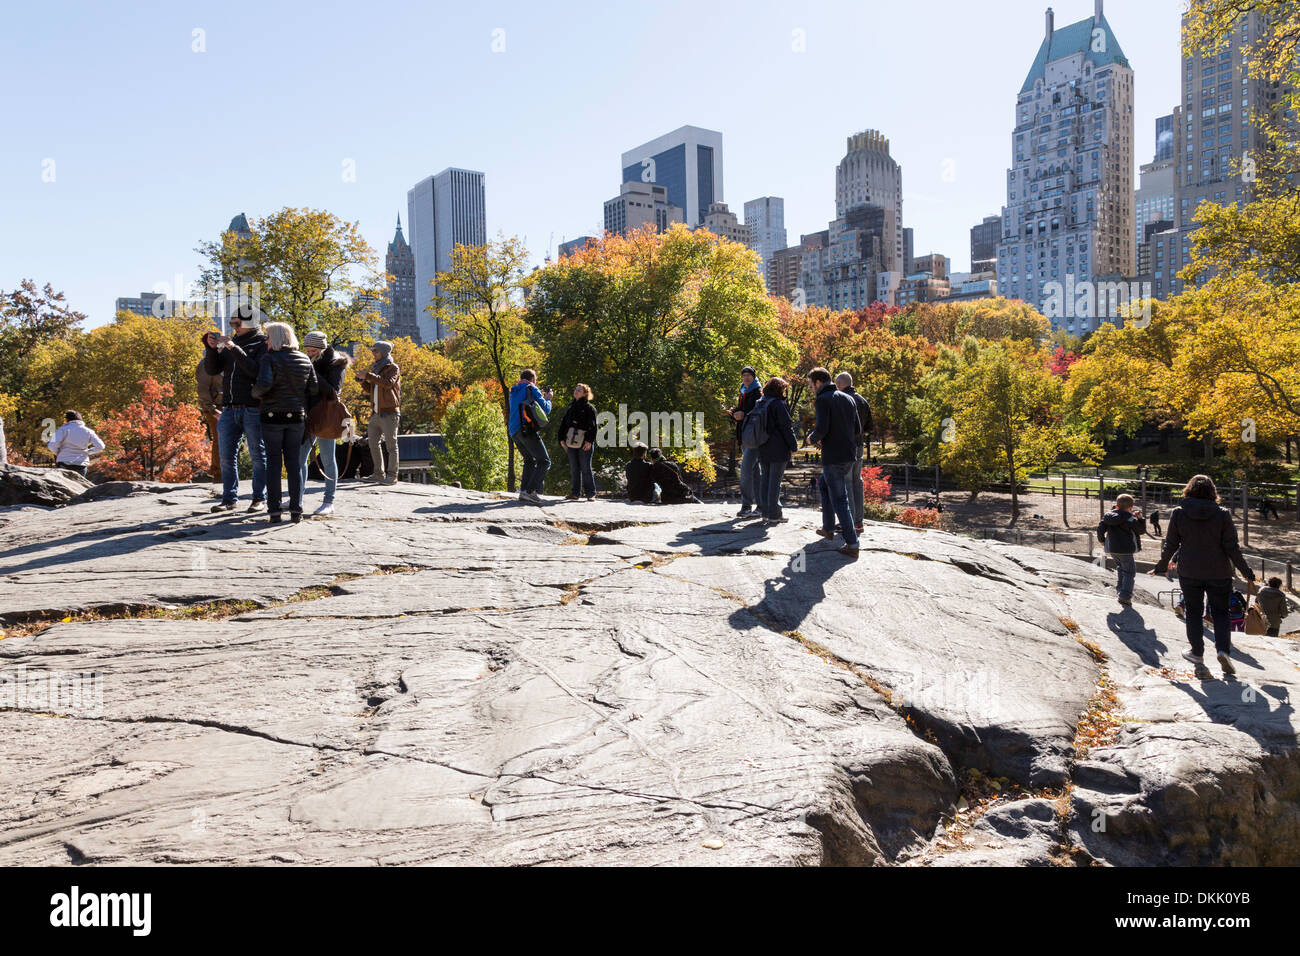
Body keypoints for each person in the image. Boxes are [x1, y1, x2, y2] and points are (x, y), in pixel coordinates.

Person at [1149, 474, 1256, 678]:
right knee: (1221, 613)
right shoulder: (1222, 514)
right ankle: (1223, 650)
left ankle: (1197, 654)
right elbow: (1232, 547)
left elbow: (1170, 544)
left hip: (1190, 571)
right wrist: (1246, 572)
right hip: (1219, 571)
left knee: (1194, 612)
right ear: (1212, 492)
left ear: (1188, 490)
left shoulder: (1179, 513)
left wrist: (1161, 566)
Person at [204, 305, 269, 513]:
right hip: (229, 408)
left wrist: (233, 348)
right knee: (225, 456)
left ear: (250, 322)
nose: (233, 326)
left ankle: (259, 498)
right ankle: (229, 499)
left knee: (258, 455)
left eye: (237, 323)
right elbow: (212, 369)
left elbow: (255, 371)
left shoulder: (262, 343)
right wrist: (211, 348)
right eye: (232, 323)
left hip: (253, 408)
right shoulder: (233, 342)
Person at [252, 322, 318, 524]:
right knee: (294, 464)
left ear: (277, 338)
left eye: (268, 337)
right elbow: (313, 389)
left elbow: (263, 385)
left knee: (273, 463)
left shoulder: (269, 358)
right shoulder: (305, 359)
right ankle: (296, 510)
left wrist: (254, 392)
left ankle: (274, 511)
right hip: (296, 417)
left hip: (272, 416)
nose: (266, 340)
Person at [807, 367, 862, 557]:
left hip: (834, 456)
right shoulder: (847, 398)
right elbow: (857, 428)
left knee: (840, 499)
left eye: (811, 384)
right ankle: (828, 527)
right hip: (849, 454)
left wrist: (811, 439)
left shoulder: (822, 399)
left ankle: (852, 544)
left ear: (818, 382)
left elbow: (821, 428)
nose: (811, 388)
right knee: (824, 484)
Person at [301, 330, 350, 516]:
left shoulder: (337, 362)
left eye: (313, 350)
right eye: (307, 350)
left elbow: (333, 391)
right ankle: (297, 495)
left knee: (328, 459)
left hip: (325, 416)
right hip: (307, 415)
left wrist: (311, 370)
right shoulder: (308, 360)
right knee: (299, 458)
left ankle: (329, 501)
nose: (309, 353)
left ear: (322, 348)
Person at [355, 340, 401, 485]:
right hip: (375, 413)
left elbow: (387, 384)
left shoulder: (393, 367)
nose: (373, 354)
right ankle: (378, 474)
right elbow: (372, 390)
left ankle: (392, 476)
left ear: (384, 352)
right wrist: (362, 381)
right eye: (372, 351)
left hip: (389, 413)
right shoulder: (376, 368)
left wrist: (368, 376)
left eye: (376, 351)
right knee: (373, 443)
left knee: (391, 446)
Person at [507, 369, 553, 503]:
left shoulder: (514, 391)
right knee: (544, 461)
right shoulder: (532, 388)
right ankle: (530, 491)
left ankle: (523, 492)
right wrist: (548, 399)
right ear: (532, 379)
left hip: (514, 431)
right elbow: (545, 409)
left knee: (529, 460)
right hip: (526, 430)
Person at [758, 377, 798, 525]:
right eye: (784, 389)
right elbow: (786, 427)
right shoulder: (778, 404)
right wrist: (794, 446)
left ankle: (765, 513)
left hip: (762, 445)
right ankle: (774, 514)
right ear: (779, 389)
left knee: (765, 480)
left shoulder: (760, 402)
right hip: (778, 447)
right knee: (775, 481)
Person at [836, 372, 873, 533]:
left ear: (839, 385)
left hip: (845, 446)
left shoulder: (840, 399)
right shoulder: (863, 400)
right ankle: (859, 522)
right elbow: (870, 426)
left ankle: (848, 521)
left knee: (847, 482)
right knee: (857, 481)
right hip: (859, 445)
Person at [1097, 494, 1146, 606]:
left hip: (1113, 549)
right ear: (1130, 507)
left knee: (1121, 568)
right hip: (1126, 550)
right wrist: (1140, 519)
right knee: (1129, 572)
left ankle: (1120, 589)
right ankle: (1125, 596)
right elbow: (1141, 531)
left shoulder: (1108, 516)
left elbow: (1100, 529)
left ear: (1117, 506)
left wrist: (1102, 541)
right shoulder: (1130, 519)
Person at [730, 366, 763, 518]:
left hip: (753, 436)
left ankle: (746, 506)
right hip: (744, 435)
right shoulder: (743, 391)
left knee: (745, 470)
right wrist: (734, 413)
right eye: (744, 375)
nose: (747, 378)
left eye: (749, 375)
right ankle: (761, 506)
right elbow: (743, 411)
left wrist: (743, 414)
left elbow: (757, 413)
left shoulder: (757, 392)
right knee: (756, 472)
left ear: (754, 377)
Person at [556, 383, 597, 501]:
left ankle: (591, 493)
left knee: (586, 468)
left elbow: (593, 426)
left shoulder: (590, 408)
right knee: (574, 468)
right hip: (571, 442)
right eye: (576, 389)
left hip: (584, 442)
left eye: (579, 390)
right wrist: (561, 440)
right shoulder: (571, 407)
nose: (576, 391)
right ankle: (575, 493)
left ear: (585, 394)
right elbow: (564, 425)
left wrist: (589, 441)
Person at [47, 411, 104, 477]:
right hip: (81, 463)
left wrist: (58, 453)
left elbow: (51, 445)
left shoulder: (62, 429)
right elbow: (101, 446)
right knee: (79, 486)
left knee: (63, 486)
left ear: (67, 419)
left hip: (64, 462)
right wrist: (88, 452)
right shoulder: (89, 431)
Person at [195, 356, 223, 483]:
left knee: (224, 439)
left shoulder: (225, 359)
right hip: (215, 409)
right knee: (219, 438)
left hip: (225, 406)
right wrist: (212, 409)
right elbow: (203, 389)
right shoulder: (206, 363)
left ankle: (222, 473)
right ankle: (218, 474)